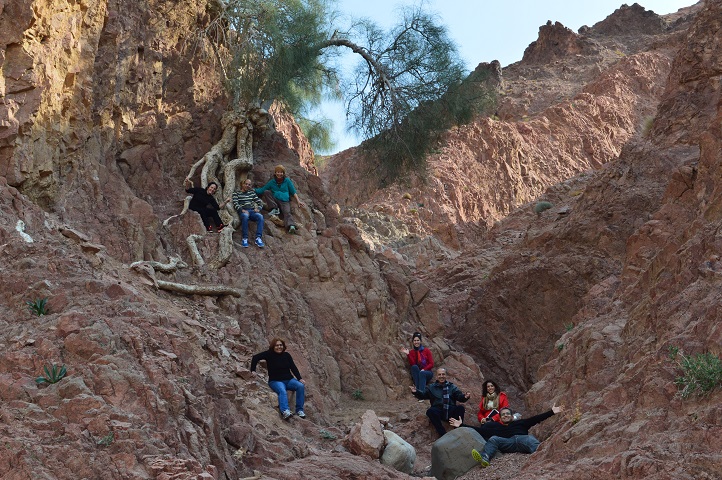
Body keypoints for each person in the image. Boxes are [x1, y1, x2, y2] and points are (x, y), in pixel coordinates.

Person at [449, 404, 564, 468]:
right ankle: (485, 458)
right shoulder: (494, 427)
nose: (505, 416)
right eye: (503, 415)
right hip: (507, 443)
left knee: (530, 439)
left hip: (523, 439)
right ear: (500, 417)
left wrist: (552, 412)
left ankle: (540, 456)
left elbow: (536, 418)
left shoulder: (521, 423)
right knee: (493, 439)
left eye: (507, 414)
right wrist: (461, 425)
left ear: (511, 415)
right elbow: (479, 430)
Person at [250, 338, 306, 419]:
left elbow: (293, 367)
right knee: (282, 391)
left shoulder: (287, 355)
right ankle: (285, 411)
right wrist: (253, 370)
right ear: (273, 346)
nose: (279, 347)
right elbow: (255, 357)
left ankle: (299, 410)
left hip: (289, 380)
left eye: (280, 345)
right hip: (275, 381)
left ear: (283, 346)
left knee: (300, 386)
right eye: (276, 345)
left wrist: (299, 378)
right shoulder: (269, 354)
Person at [411, 367, 471, 437]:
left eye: (443, 374)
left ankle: (458, 430)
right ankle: (442, 434)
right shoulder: (431, 387)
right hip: (439, 410)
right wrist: (416, 392)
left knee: (460, 408)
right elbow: (423, 395)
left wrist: (465, 397)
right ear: (436, 376)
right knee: (430, 411)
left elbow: (459, 396)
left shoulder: (452, 387)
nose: (441, 376)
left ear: (446, 375)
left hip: (450, 410)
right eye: (439, 375)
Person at [255, 165, 305, 234]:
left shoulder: (287, 181)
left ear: (283, 173)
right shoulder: (272, 182)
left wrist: (298, 201)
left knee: (287, 212)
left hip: (284, 201)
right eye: (278, 172)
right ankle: (274, 209)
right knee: (267, 192)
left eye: (281, 172)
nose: (279, 174)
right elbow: (262, 190)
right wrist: (252, 190)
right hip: (275, 200)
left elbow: (293, 191)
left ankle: (291, 226)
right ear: (275, 173)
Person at [230, 178, 265, 248]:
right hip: (243, 211)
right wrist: (241, 210)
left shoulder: (252, 193)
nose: (247, 186)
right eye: (246, 184)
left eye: (249, 185)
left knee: (260, 217)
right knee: (245, 216)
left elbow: (259, 202)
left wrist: (258, 209)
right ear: (242, 184)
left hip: (252, 211)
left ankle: (258, 238)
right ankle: (245, 238)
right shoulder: (236, 193)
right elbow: (235, 203)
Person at [400, 332, 434, 396]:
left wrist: (424, 369)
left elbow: (431, 364)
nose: (416, 342)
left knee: (422, 373)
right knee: (414, 367)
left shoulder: (426, 350)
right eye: (415, 340)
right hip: (418, 374)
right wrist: (408, 354)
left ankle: (421, 393)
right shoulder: (412, 352)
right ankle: (419, 391)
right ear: (413, 342)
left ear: (420, 341)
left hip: (427, 372)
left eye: (418, 340)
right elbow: (413, 364)